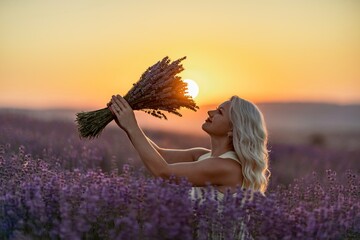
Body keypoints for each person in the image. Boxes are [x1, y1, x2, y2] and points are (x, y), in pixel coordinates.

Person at [108, 94, 270, 199]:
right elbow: (159, 154)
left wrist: (132, 126)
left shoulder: (227, 167)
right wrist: (127, 125)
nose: (210, 113)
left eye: (219, 112)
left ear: (232, 129)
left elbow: (163, 171)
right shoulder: (202, 155)